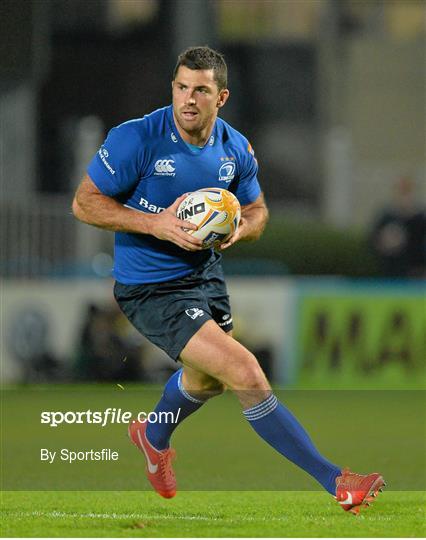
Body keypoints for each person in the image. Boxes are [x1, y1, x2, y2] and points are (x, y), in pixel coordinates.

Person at [72, 46, 384, 514]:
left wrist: (242, 227)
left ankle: (152, 437)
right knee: (245, 372)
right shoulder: (136, 139)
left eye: (200, 90)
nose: (188, 99)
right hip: (150, 288)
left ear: (222, 97)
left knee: (207, 381)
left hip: (205, 276)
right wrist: (154, 224)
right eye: (181, 87)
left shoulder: (234, 148)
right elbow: (84, 203)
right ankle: (337, 481)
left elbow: (257, 210)